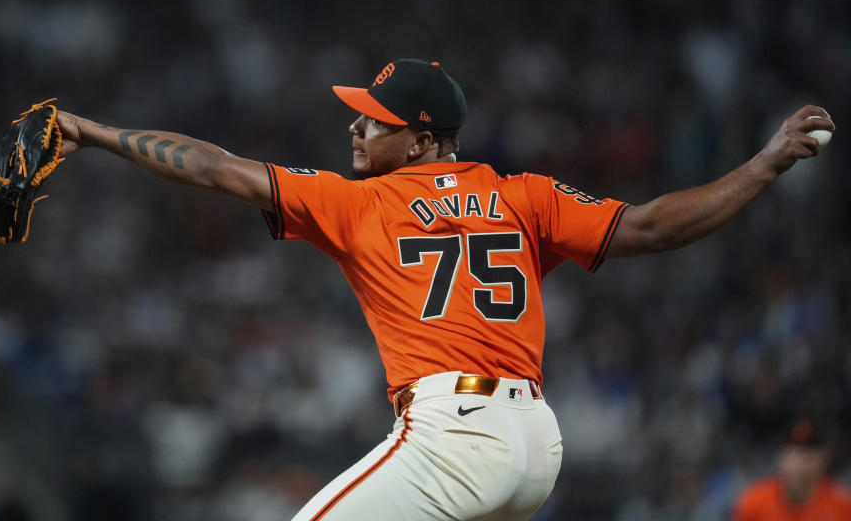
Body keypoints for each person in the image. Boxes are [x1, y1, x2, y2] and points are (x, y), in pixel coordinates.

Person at [55, 59, 834, 521]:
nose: (357, 130)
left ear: (422, 139)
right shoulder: (523, 195)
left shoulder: (359, 201)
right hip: (538, 444)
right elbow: (656, 226)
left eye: (375, 121)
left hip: (456, 433)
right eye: (359, 117)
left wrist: (91, 132)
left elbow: (215, 167)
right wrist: (764, 164)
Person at [732, 416, 851, 521]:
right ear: (781, 457)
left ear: (823, 459)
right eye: (794, 453)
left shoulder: (842, 505)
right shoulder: (754, 502)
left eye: (808, 455)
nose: (800, 463)